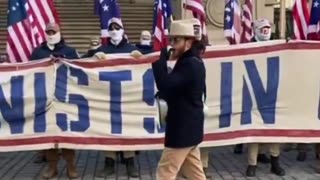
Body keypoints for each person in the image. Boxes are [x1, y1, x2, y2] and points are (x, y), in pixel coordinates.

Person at [152, 18, 207, 180]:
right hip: (190, 128)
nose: (172, 44)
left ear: (189, 42)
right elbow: (177, 89)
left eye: (176, 40)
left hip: (182, 129)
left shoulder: (189, 63)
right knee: (194, 174)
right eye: (171, 40)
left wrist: (161, 62)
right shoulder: (191, 61)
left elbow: (165, 84)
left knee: (165, 173)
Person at [30, 22, 79, 179]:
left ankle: (71, 166)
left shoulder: (69, 51)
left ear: (59, 32)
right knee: (49, 134)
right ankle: (52, 167)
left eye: (53, 31)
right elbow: (30, 71)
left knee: (67, 133)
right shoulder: (38, 52)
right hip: (44, 97)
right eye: (48, 32)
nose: (51, 34)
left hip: (65, 97)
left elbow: (79, 70)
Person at [95, 17, 140, 178]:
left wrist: (140, 57)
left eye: (117, 28)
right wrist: (93, 55)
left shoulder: (131, 48)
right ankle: (109, 163)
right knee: (108, 130)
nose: (114, 31)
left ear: (122, 29)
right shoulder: (103, 49)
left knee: (127, 129)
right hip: (107, 97)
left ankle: (130, 163)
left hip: (127, 97)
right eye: (111, 28)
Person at [245, 19, 285, 177]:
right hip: (254, 93)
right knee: (254, 129)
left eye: (268, 28)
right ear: (256, 30)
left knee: (274, 129)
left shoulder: (275, 45)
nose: (266, 31)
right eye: (263, 28)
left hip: (272, 92)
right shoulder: (248, 46)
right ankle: (252, 164)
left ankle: (275, 162)